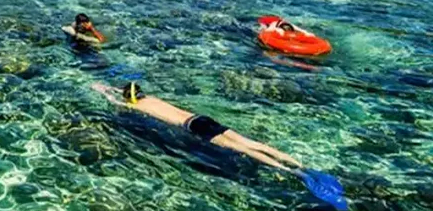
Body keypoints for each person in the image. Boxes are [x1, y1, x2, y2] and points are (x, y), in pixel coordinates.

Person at [93, 82, 347, 210]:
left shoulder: (134, 106)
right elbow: (128, 91)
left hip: (195, 129)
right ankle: (300, 164)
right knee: (253, 143)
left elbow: (109, 94)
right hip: (202, 119)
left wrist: (102, 89)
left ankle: (296, 173)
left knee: (245, 151)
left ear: (128, 98)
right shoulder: (150, 98)